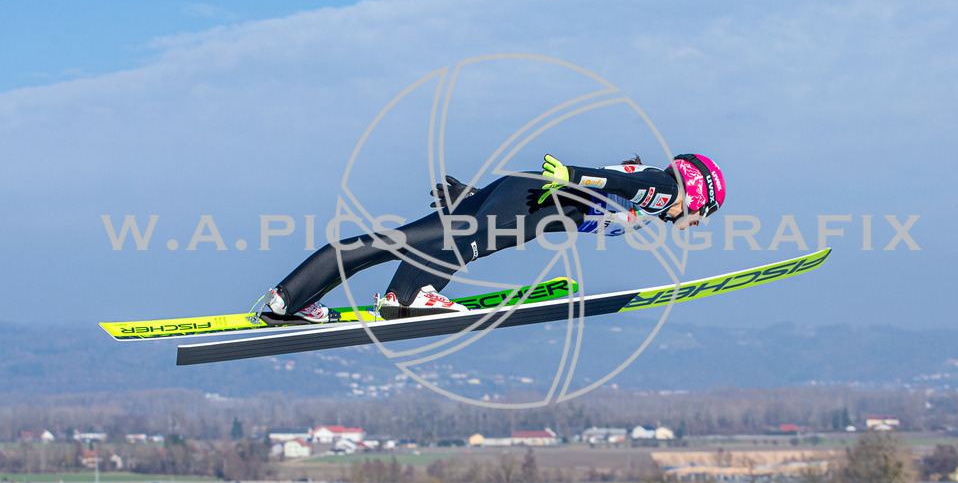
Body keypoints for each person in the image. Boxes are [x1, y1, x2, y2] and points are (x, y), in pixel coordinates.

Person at [262, 152, 725, 322]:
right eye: (704, 210)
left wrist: (475, 197)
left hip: (519, 193)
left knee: (393, 242)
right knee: (468, 242)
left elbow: (612, 190)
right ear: (696, 190)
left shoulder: (648, 204)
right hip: (534, 202)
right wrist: (573, 174)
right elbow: (616, 184)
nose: (698, 220)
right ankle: (410, 295)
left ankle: (290, 299)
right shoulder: (663, 192)